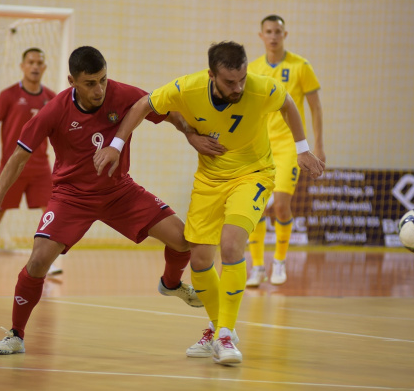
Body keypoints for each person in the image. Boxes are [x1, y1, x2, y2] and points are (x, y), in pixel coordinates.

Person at [94, 41, 325, 365]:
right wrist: (117, 145)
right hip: (209, 180)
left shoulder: (259, 87)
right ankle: (218, 330)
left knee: (231, 245)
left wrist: (302, 147)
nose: (238, 87)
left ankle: (226, 335)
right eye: (230, 82)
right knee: (199, 259)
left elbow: (287, 102)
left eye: (242, 79)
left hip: (253, 174)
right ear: (211, 75)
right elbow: (142, 106)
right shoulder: (187, 88)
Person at [0, 46, 202, 355]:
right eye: (90, 83)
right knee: (38, 262)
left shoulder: (123, 94)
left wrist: (189, 132)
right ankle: (15, 334)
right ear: (71, 81)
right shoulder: (54, 110)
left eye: (103, 79)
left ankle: (170, 284)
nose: (99, 89)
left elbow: (164, 110)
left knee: (182, 240)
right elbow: (17, 158)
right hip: (71, 198)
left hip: (120, 192)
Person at [245, 15, 326, 287]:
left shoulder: (300, 66)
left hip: (289, 147)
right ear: (261, 36)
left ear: (285, 34)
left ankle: (279, 261)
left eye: (277, 31)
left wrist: (318, 145)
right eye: (268, 31)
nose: (273, 36)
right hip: (258, 148)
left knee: (280, 205)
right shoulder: (253, 68)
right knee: (255, 208)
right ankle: (257, 267)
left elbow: (315, 107)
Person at [0, 47, 62, 277]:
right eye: (30, 62)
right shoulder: (8, 95)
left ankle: (46, 261)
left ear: (44, 68)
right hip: (11, 167)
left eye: (39, 63)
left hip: (41, 167)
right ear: (22, 66)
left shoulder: (52, 97)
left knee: (53, 212)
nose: (35, 66)